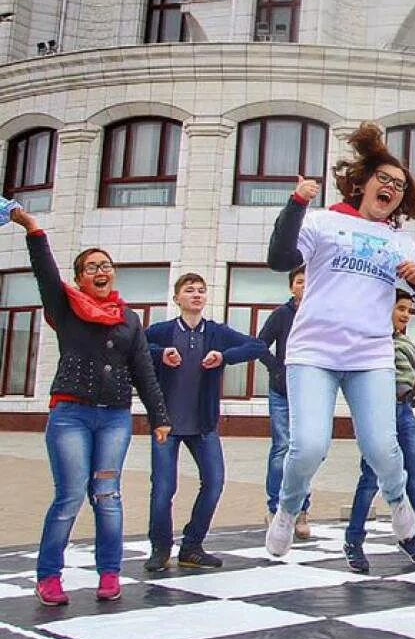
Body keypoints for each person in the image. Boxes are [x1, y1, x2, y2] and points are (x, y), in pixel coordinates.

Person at [264, 122, 415, 558]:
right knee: (307, 446)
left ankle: (399, 500)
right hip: (314, 352)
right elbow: (278, 259)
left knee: (383, 447)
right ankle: (287, 511)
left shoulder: (399, 240)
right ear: (361, 183)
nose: (392, 189)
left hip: (369, 354)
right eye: (384, 179)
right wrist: (296, 203)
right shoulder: (324, 222)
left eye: (400, 186)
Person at [9, 205, 171, 606]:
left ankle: (110, 573)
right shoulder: (65, 308)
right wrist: (33, 228)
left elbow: (143, 371)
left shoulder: (128, 319)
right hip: (71, 416)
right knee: (69, 496)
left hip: (115, 418)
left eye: (107, 265)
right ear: (81, 278)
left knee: (108, 494)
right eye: (92, 267)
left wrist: (159, 418)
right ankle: (48, 576)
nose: (102, 272)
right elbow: (45, 273)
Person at [144, 273, 271, 572]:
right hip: (166, 424)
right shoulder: (161, 331)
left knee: (214, 482)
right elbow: (133, 349)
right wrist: (160, 354)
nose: (197, 295)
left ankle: (192, 546)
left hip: (203, 424)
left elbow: (258, 346)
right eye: (189, 290)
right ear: (176, 298)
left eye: (201, 290)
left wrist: (224, 356)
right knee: (163, 488)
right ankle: (160, 547)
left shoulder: (215, 332)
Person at [343, 291, 415, 572]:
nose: (405, 314)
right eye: (400, 308)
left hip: (404, 411)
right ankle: (354, 541)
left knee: (414, 477)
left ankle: (410, 536)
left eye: (409, 311)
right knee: (370, 477)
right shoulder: (370, 339)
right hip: (378, 415)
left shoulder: (405, 342)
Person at [258, 265, 311, 537]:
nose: (304, 286)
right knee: (282, 447)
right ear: (292, 286)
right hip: (281, 391)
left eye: (308, 281)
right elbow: (260, 344)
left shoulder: (319, 312)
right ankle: (275, 507)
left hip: (310, 392)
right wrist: (276, 368)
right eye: (300, 281)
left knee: (306, 449)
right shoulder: (281, 315)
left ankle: (301, 511)